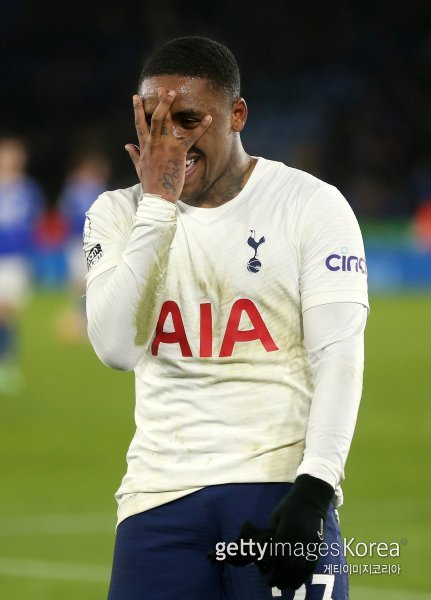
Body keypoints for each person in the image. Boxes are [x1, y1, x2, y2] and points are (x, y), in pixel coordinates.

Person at [84, 36, 368, 600]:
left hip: (277, 490)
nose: (170, 141)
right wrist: (158, 206)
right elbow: (115, 349)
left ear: (237, 115)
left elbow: (338, 355)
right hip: (157, 498)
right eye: (154, 123)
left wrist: (316, 487)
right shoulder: (117, 213)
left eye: (187, 120)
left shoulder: (310, 205)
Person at [0, 136, 45, 394]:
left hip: (17, 259)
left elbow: (34, 224)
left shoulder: (28, 189)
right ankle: (6, 363)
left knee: (9, 313)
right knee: (3, 312)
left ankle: (7, 362)